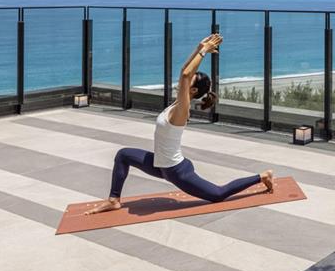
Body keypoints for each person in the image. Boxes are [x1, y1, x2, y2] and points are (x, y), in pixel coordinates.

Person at [87, 34, 272, 214]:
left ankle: (262, 176)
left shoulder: (182, 109)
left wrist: (205, 52)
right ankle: (113, 200)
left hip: (175, 171)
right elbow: (184, 70)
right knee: (123, 155)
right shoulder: (178, 102)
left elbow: (185, 74)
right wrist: (200, 47)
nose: (182, 80)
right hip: (160, 164)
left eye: (189, 80)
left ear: (192, 90)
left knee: (218, 194)